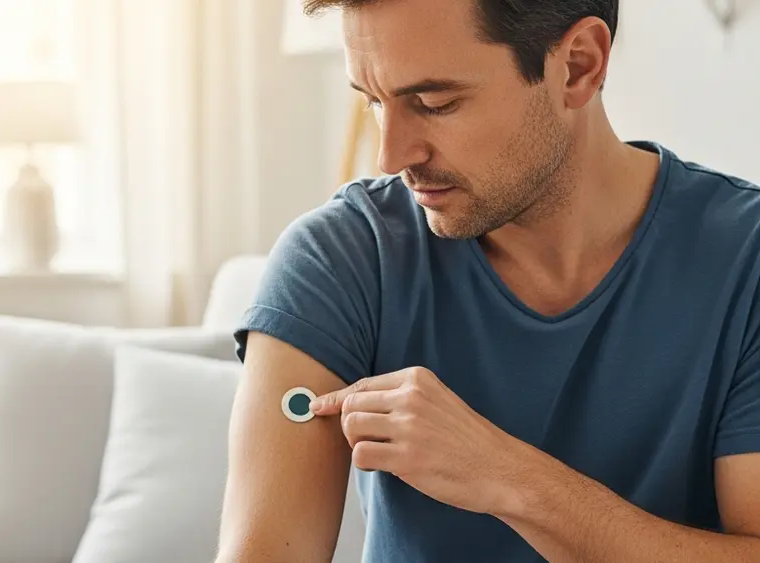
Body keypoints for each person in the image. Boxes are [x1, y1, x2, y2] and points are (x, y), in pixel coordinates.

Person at [213, 0, 760, 561]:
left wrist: (506, 476)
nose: (390, 155)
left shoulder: (745, 260)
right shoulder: (340, 260)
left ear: (578, 65)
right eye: (375, 101)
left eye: (435, 103)